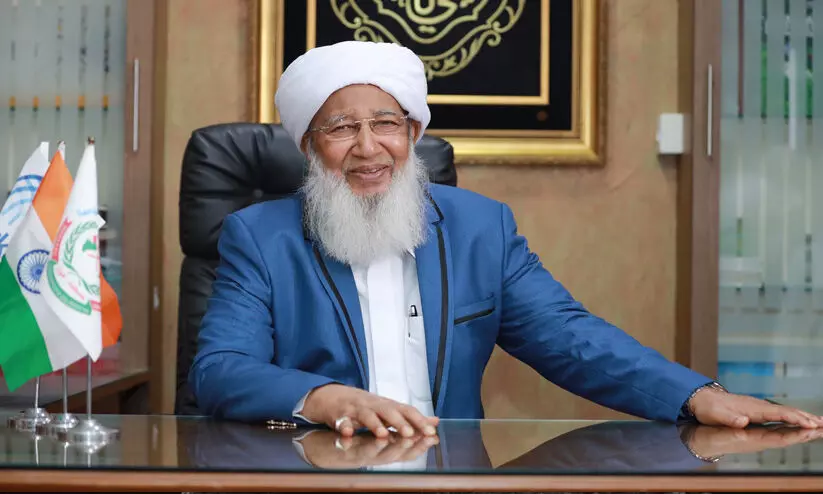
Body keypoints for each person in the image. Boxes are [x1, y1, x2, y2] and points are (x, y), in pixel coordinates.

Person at [189, 40, 823, 438]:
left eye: (386, 123)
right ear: (308, 146)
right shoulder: (261, 235)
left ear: (413, 134)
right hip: (310, 471)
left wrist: (697, 395)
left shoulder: (480, 228)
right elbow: (220, 371)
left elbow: (571, 338)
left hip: (448, 475)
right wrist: (323, 398)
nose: (367, 146)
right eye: (340, 129)